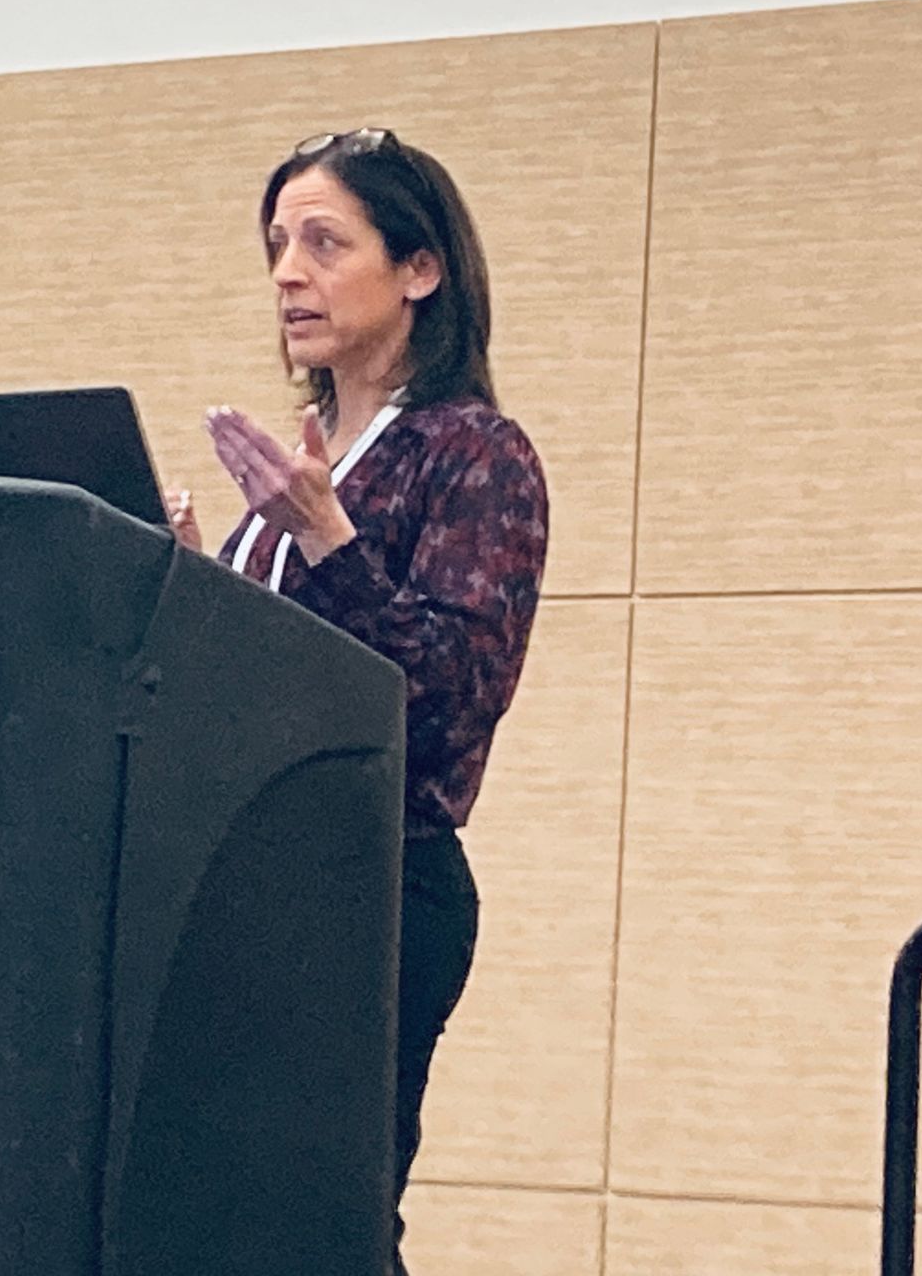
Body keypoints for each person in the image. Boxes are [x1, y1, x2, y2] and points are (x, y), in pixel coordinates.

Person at [167, 127, 548, 1273]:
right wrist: (186, 584)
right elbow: (256, 692)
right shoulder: (302, 459)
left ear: (419, 269)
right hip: (239, 883)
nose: (289, 271)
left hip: (376, 888)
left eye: (325, 242)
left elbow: (446, 697)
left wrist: (325, 535)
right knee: (216, 1226)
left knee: (319, 1231)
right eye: (278, 244)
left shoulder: (474, 454)